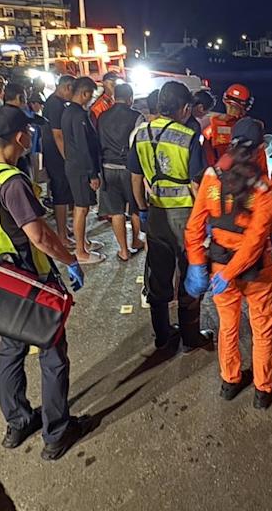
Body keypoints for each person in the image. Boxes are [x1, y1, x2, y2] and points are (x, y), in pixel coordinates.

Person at [0, 105, 91, 461]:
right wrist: (71, 260)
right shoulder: (13, 183)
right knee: (52, 355)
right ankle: (56, 433)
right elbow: (39, 236)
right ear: (21, 137)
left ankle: (18, 422)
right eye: (28, 132)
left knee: (11, 350)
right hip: (28, 281)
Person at [183, 117, 272, 409]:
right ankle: (263, 390)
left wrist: (198, 263)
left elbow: (194, 227)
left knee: (228, 327)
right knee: (262, 329)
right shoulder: (264, 187)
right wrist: (234, 270)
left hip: (219, 266)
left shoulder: (211, 178)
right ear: (261, 148)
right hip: (256, 270)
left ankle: (230, 381)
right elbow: (255, 238)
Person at [129, 81, 213, 352]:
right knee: (189, 272)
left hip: (155, 212)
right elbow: (196, 183)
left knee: (159, 272)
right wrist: (205, 219)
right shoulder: (188, 136)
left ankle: (163, 335)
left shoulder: (141, 133)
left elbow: (135, 176)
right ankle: (190, 337)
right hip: (184, 215)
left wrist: (142, 207)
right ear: (185, 108)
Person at [96, 83, 145, 261]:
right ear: (130, 98)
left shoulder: (101, 116)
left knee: (116, 211)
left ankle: (123, 251)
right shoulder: (137, 117)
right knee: (135, 208)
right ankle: (136, 242)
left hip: (107, 168)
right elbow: (139, 145)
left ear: (115, 97)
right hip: (130, 170)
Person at [60, 77, 105, 264]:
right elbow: (83, 146)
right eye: (90, 95)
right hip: (80, 168)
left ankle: (83, 242)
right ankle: (80, 251)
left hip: (75, 165)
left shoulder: (69, 111)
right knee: (82, 207)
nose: (90, 99)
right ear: (84, 93)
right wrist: (92, 173)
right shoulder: (78, 115)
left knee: (82, 207)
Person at [43, 75, 75, 241]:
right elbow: (58, 135)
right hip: (56, 157)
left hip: (54, 155)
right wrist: (67, 157)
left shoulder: (55, 102)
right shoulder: (55, 104)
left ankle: (64, 229)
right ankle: (62, 236)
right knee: (61, 195)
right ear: (67, 88)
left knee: (62, 193)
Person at [202, 84, 253, 166]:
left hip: (218, 172)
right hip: (240, 174)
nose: (232, 109)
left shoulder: (211, 127)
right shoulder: (250, 129)